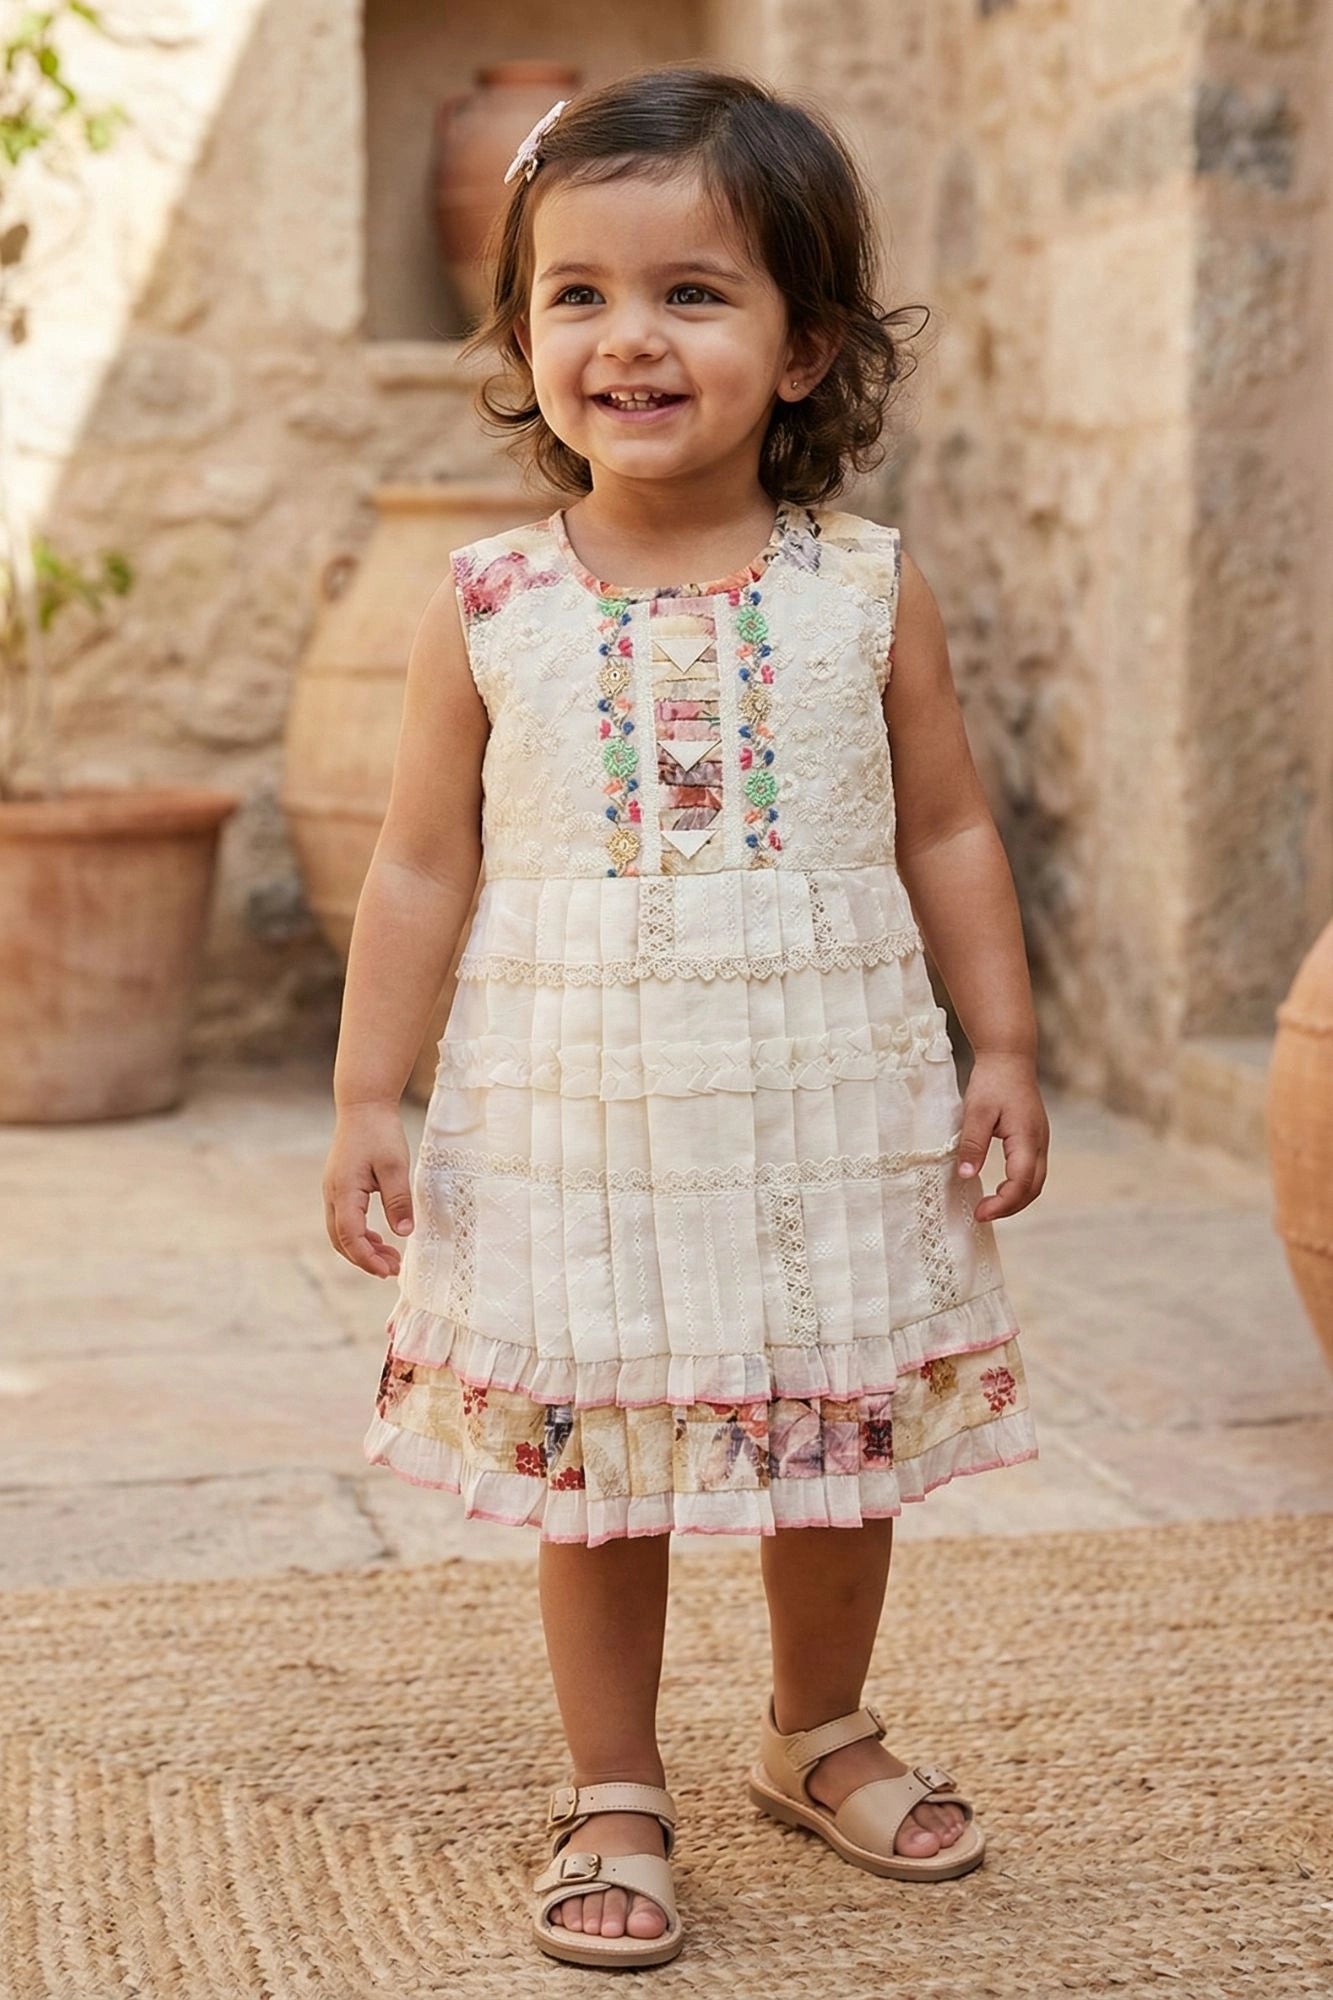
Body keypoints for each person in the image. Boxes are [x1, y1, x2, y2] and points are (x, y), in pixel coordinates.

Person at [323, 62, 1048, 1972]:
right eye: (577, 294)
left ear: (803, 350)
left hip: (824, 1092)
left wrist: (1001, 1045)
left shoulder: (864, 590)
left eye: (691, 293)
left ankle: (817, 1729)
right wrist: (368, 1094)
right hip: (578, 1100)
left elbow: (948, 827)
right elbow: (419, 866)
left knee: (834, 1420)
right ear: (523, 335)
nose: (626, 337)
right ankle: (614, 1780)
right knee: (601, 1452)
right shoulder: (488, 600)